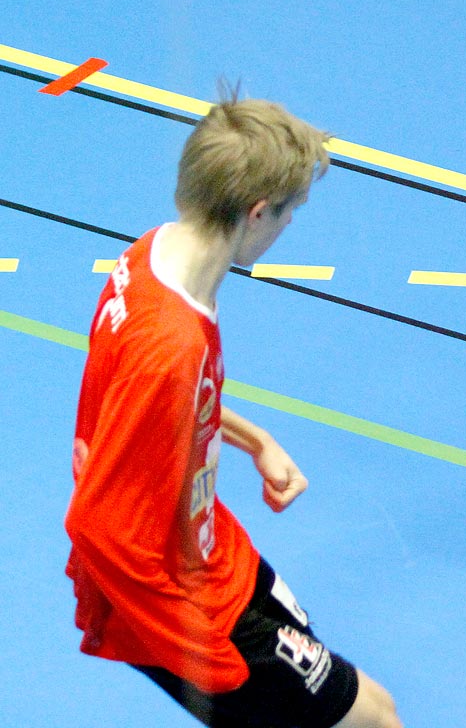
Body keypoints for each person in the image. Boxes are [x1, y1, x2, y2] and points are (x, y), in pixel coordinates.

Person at [64, 95, 402, 727]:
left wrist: (252, 438)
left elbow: (149, 405)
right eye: (289, 211)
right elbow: (97, 528)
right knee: (376, 718)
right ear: (255, 212)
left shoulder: (152, 256)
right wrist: (201, 653)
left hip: (209, 549)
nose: (288, 226)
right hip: (184, 603)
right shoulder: (173, 344)